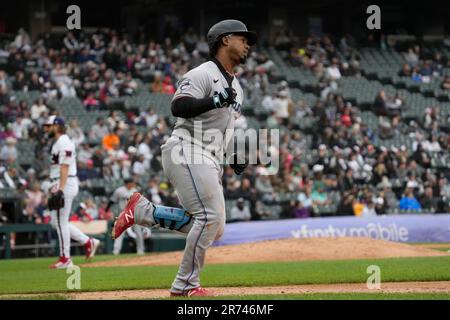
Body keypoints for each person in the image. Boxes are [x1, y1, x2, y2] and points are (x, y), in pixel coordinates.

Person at [111, 19, 256, 297]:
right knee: (209, 218)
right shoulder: (203, 73)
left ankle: (142, 211)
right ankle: (185, 286)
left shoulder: (238, 87)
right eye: (243, 38)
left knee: (214, 228)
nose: (248, 44)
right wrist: (213, 100)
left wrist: (232, 154)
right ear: (225, 40)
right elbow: (178, 105)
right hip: (186, 149)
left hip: (209, 156)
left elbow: (222, 130)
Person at [43, 116, 99, 269]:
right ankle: (88, 242)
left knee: (60, 222)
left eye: (49, 126)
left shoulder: (64, 141)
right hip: (61, 182)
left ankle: (65, 258)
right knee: (58, 223)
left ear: (57, 126)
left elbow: (65, 167)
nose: (46, 129)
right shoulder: (58, 142)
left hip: (65, 183)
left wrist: (60, 189)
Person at [107, 178, 148, 255]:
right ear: (128, 183)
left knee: (138, 232)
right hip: (123, 213)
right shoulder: (119, 190)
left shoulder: (135, 190)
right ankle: (116, 251)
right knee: (119, 232)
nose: (133, 184)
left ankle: (140, 250)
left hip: (134, 213)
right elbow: (112, 201)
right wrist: (106, 210)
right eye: (132, 182)